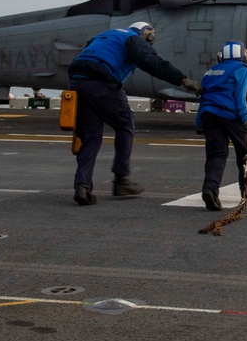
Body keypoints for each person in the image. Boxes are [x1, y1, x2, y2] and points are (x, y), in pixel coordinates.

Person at [67, 21, 201, 206]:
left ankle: (82, 186)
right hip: (101, 82)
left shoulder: (105, 36)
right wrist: (183, 80)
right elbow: (152, 62)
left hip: (76, 82)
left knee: (91, 136)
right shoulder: (132, 38)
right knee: (125, 125)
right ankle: (122, 180)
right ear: (146, 33)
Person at [196, 41, 247, 211]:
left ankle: (210, 190)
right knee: (244, 152)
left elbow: (204, 98)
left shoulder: (210, 71)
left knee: (216, 155)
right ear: (243, 55)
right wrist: (246, 120)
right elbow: (240, 97)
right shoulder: (242, 70)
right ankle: (246, 188)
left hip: (208, 115)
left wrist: (199, 122)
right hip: (229, 114)